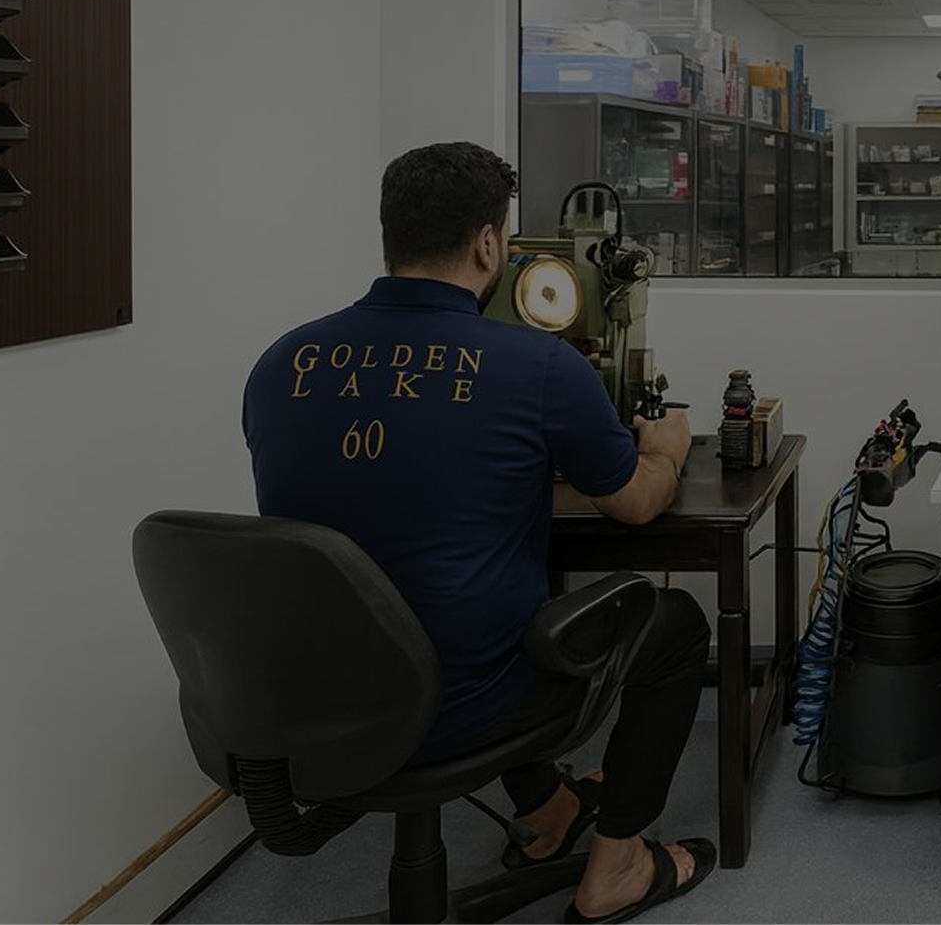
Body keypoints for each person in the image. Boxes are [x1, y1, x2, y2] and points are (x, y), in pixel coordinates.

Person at [242, 142, 714, 924]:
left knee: (484, 611)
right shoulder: (537, 365)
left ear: (390, 237)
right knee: (671, 625)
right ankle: (620, 867)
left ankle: (550, 809)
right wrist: (664, 449)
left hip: (313, 702)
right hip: (454, 706)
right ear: (488, 244)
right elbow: (634, 504)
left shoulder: (280, 361)